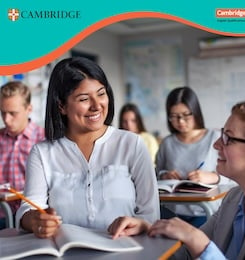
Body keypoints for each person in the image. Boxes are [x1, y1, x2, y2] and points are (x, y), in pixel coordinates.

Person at [15, 57, 160, 238]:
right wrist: (35, 220)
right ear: (61, 106)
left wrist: (141, 223)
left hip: (125, 250)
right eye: (84, 98)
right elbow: (28, 209)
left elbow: (151, 215)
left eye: (101, 94)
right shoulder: (42, 153)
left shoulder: (132, 144)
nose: (96, 105)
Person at [108, 101, 245, 260]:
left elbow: (198, 244)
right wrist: (150, 230)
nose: (216, 144)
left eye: (228, 138)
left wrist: (198, 242)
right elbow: (186, 253)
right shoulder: (234, 199)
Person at [156, 86, 229, 226]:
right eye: (174, 116)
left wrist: (214, 177)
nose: (181, 121)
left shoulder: (216, 138)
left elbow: (236, 177)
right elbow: (156, 174)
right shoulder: (167, 142)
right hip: (173, 214)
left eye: (185, 115)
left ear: (195, 111)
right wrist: (164, 175)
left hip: (207, 213)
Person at [0, 81, 45, 229]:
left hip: (31, 218)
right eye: (3, 112)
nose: (6, 119)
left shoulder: (43, 140)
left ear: (29, 109)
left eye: (13, 113)